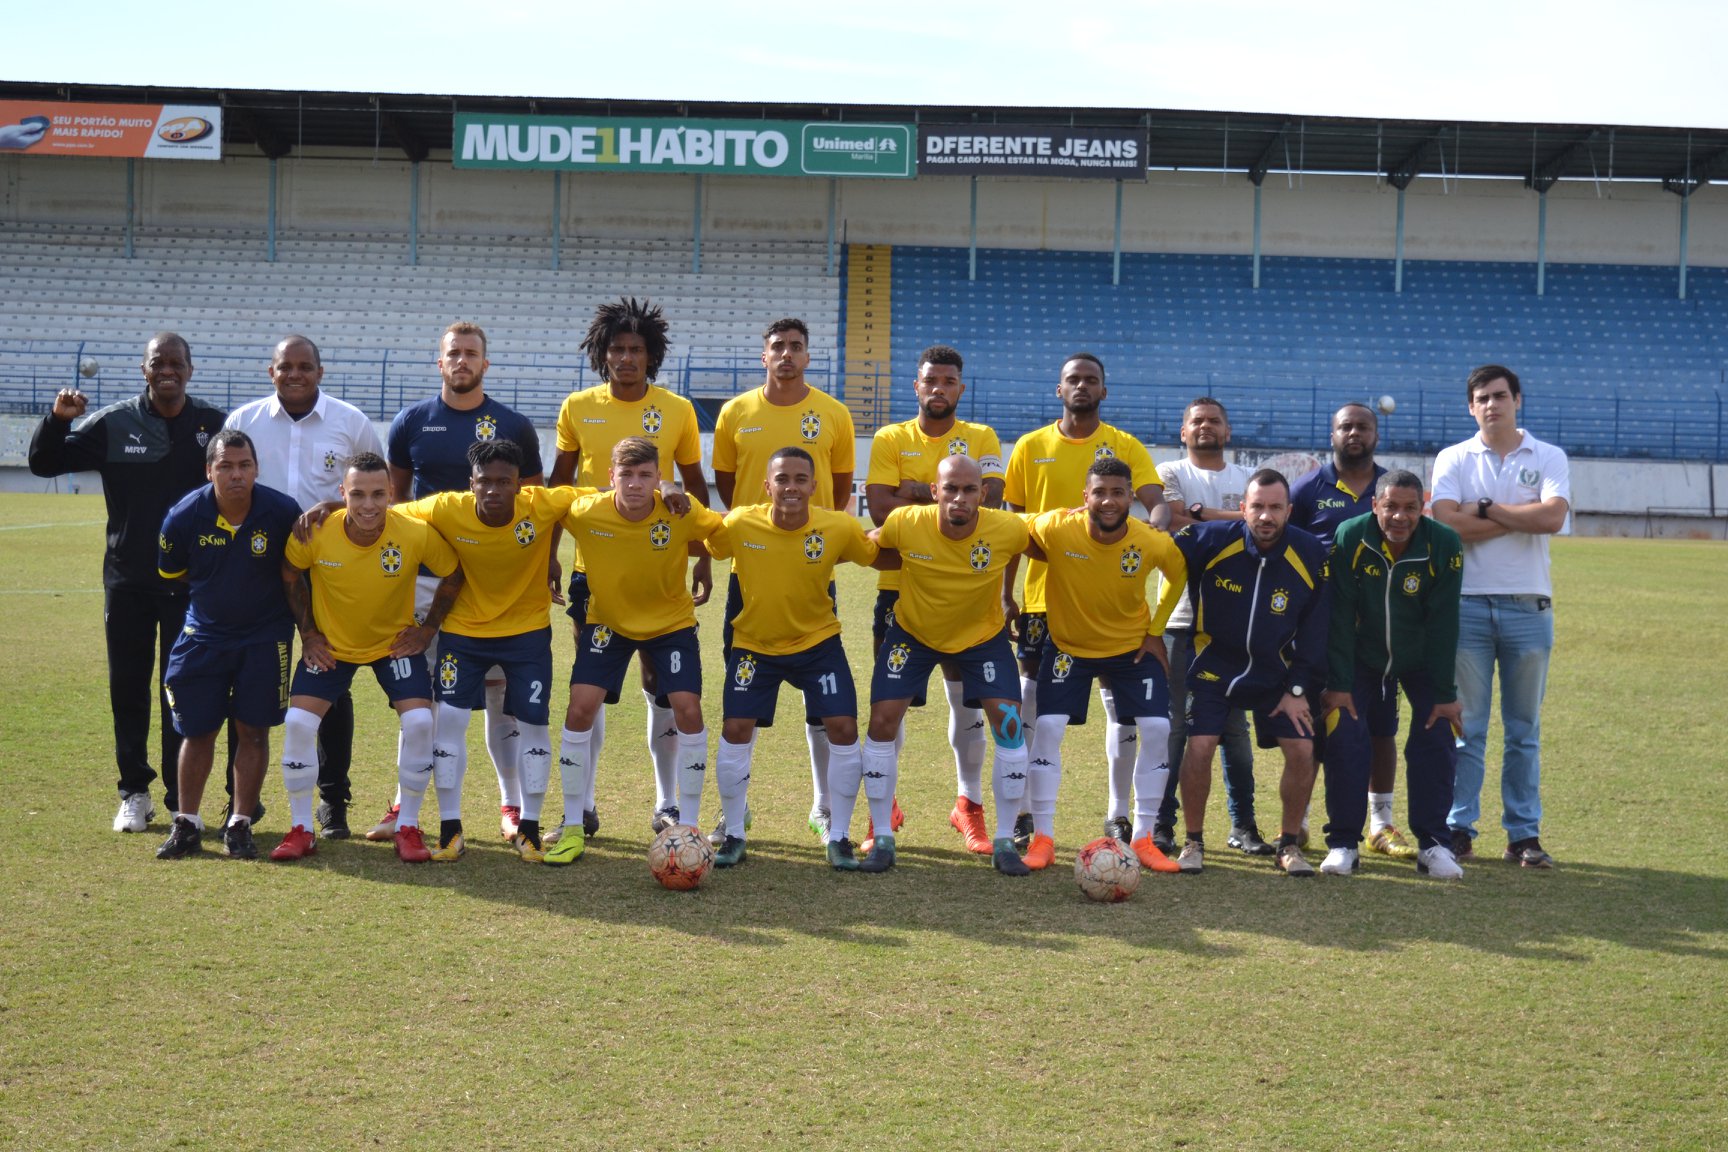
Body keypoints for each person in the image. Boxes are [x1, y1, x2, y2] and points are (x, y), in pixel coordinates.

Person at [27, 332, 227, 832]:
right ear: (144, 369)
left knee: (180, 689)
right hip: (129, 582)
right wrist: (57, 420)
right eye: (158, 362)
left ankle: (183, 797)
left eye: (176, 362)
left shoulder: (213, 424)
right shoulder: (115, 422)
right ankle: (134, 792)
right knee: (129, 688)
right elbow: (44, 463)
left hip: (192, 586)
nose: (168, 370)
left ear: (190, 368)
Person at [373, 321, 543, 843]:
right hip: (425, 583)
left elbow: (536, 506)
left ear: (485, 364)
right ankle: (406, 804)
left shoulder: (514, 425)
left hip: (495, 587)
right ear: (439, 362)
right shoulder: (412, 422)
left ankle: (511, 805)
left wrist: (547, 566)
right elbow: (395, 504)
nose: (462, 361)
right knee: (422, 700)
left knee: (499, 697)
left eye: (472, 354)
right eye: (454, 354)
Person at [547, 297, 710, 839]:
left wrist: (702, 557)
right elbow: (558, 489)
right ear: (603, 354)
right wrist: (548, 554)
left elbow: (693, 490)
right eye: (617, 349)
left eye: (636, 349)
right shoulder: (576, 406)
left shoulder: (678, 410)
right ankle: (584, 803)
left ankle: (667, 802)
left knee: (659, 685)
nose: (626, 358)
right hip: (593, 569)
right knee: (589, 688)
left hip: (659, 566)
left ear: (651, 355)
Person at [389, 440, 585, 864]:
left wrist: (666, 488)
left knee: (532, 725)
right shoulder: (445, 507)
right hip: (463, 633)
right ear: (470, 484)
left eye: (504, 482)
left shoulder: (543, 504)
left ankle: (529, 829)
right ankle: (450, 829)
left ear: (520, 486)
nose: (494, 490)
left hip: (527, 633)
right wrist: (328, 505)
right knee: (450, 725)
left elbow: (609, 497)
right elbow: (382, 512)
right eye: (485, 482)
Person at [1002, 351, 1166, 849]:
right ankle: (1029, 811)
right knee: (1035, 703)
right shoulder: (1031, 447)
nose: (1081, 387)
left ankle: (1119, 814)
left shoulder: (1124, 446)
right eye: (1072, 379)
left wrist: (1146, 533)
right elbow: (1012, 527)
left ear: (1103, 390)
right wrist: (1004, 593)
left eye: (1090, 380)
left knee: (1123, 710)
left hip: (1113, 603)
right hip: (1042, 601)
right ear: (1059, 390)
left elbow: (1157, 508)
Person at [224, 335, 385, 839]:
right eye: (284, 366)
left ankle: (333, 800)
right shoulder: (243, 422)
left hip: (330, 571)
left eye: (304, 366)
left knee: (329, 683)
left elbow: (376, 491)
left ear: (320, 370)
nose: (294, 374)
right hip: (253, 569)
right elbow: (220, 484)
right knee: (246, 677)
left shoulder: (351, 422)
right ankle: (241, 802)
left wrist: (335, 509)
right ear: (269, 371)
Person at [712, 318, 856, 843]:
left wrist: (810, 541)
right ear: (763, 356)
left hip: (811, 569)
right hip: (750, 571)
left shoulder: (834, 413)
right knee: (741, 706)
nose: (787, 355)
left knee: (825, 703)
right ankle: (736, 814)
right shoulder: (735, 412)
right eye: (778, 347)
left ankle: (823, 807)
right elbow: (730, 489)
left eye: (796, 347)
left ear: (808, 356)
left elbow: (838, 493)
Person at [277, 453, 462, 863]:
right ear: (341, 494)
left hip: (391, 645)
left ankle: (408, 826)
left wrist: (427, 629)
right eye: (357, 494)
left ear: (392, 494)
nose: (368, 505)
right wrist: (308, 633)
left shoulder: (413, 533)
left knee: (418, 721)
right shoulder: (317, 532)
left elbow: (453, 572)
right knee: (297, 723)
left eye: (378, 494)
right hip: (334, 647)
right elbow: (290, 573)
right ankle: (301, 828)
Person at [542, 438, 724, 854]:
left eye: (646, 475)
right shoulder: (587, 511)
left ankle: (690, 828)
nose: (636, 484)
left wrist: (705, 558)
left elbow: (718, 532)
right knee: (580, 707)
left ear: (659, 478)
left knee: (687, 707)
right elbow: (544, 507)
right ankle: (573, 823)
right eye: (626, 474)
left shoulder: (678, 510)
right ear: (611, 478)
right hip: (608, 623)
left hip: (670, 624)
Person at [704, 447, 879, 868]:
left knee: (842, 725)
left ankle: (838, 835)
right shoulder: (742, 521)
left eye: (801, 479)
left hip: (818, 644)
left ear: (814, 487)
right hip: (754, 646)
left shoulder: (836, 526)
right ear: (768, 486)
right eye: (782, 478)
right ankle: (734, 832)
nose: (791, 487)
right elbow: (707, 538)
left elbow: (875, 552)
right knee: (735, 727)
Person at [863, 344, 1003, 855]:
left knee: (967, 704)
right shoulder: (889, 437)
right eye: (930, 381)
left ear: (960, 389)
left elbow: (990, 500)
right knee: (889, 707)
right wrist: (934, 496)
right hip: (899, 592)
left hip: (966, 591)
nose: (939, 388)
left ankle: (967, 804)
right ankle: (887, 804)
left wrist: (915, 491)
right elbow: (880, 511)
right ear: (916, 387)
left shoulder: (983, 437)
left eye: (949, 381)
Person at [864, 455, 1033, 876]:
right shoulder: (907, 521)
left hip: (980, 638)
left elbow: (1048, 541)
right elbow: (867, 544)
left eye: (969, 489)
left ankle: (1005, 840)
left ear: (984, 494)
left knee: (1010, 726)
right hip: (913, 633)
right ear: (935, 491)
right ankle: (882, 834)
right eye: (950, 488)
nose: (959, 498)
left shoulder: (1007, 528)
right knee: (882, 721)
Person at [1430, 365, 1570, 869]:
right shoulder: (1453, 457)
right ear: (1471, 407)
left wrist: (1484, 509)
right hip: (1465, 607)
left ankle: (1523, 835)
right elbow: (1446, 524)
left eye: (1500, 396)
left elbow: (1552, 517)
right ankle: (1459, 827)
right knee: (1466, 727)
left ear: (1518, 400)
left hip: (1529, 606)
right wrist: (1518, 513)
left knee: (1523, 729)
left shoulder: (1548, 455)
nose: (1492, 404)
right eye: (1482, 398)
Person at [1024, 458, 1187, 873]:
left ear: (1131, 497)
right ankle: (1042, 837)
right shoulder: (1057, 527)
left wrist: (1155, 631)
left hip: (1130, 649)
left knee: (1156, 727)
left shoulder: (1150, 540)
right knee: (1046, 727)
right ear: (1085, 497)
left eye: (1118, 493)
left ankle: (1144, 838)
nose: (1109, 501)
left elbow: (1178, 574)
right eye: (1100, 492)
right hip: (1068, 647)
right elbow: (1013, 530)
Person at [1170, 469, 1330, 876]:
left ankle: (1289, 844)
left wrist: (1296, 687)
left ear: (1289, 511)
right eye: (1257, 506)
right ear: (1242, 509)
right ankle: (1193, 841)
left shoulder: (1310, 553)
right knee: (1201, 745)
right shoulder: (1211, 540)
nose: (1266, 516)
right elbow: (1155, 547)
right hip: (1212, 667)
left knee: (1302, 750)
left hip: (1275, 673)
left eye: (1276, 507)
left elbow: (1316, 628)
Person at [153, 431, 300, 860]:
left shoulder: (281, 512)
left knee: (253, 732)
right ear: (208, 470)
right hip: (205, 638)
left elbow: (298, 573)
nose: (236, 475)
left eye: (244, 466)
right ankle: (188, 823)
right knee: (198, 733)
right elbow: (173, 574)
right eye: (225, 466)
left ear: (256, 468)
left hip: (265, 638)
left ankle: (240, 823)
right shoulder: (183, 517)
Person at [1321, 470, 1465, 879]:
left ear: (1425, 508)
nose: (1399, 517)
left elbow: (1443, 622)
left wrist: (1443, 692)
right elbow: (1341, 616)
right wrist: (1339, 684)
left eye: (1410, 508)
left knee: (1437, 733)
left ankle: (1435, 844)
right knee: (1346, 734)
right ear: (1375, 506)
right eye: (1391, 507)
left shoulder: (1445, 543)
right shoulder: (1350, 536)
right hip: (1363, 658)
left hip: (1419, 658)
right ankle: (1344, 843)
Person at [1290, 402, 1411, 859]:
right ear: (1332, 433)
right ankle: (1297, 817)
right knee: (1320, 729)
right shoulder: (1308, 488)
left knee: (1381, 730)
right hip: (1321, 631)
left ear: (1376, 433)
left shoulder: (1390, 489)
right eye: (1346, 426)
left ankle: (1381, 823)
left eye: (1363, 426)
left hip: (1379, 635)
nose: (1354, 433)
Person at [1153, 397, 1268, 857]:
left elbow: (1263, 529)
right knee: (1174, 728)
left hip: (1236, 626)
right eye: (1196, 421)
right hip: (1180, 618)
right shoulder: (1169, 473)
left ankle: (1243, 823)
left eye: (1214, 421)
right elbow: (1176, 527)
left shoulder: (1248, 479)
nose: (1205, 427)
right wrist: (1240, 518)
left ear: (1228, 429)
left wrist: (1205, 515)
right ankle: (1162, 823)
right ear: (1183, 432)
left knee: (1234, 733)